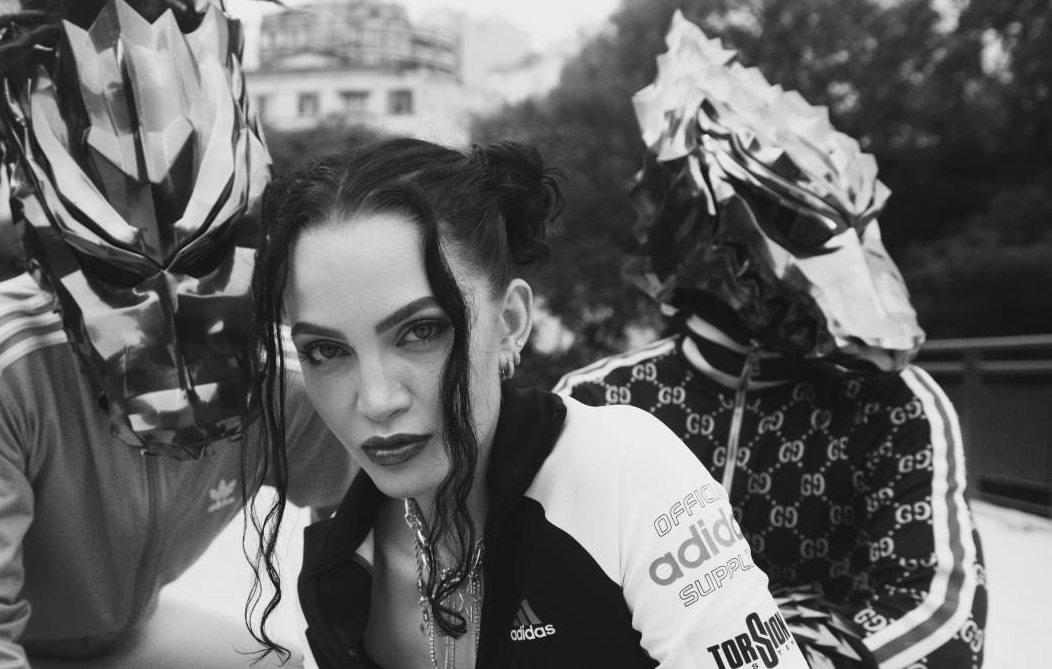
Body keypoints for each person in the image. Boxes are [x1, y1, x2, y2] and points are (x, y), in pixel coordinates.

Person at [0, 0, 351, 667]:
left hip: (118, 633)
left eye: (208, 254)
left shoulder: (284, 375)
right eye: (115, 271)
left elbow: (387, 503)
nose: (169, 306)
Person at [243, 138, 812, 669]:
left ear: (510, 322)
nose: (376, 400)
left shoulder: (624, 471)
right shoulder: (336, 563)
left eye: (420, 332)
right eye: (326, 351)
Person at [554, 13, 987, 669]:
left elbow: (939, 615)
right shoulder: (596, 401)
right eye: (801, 230)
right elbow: (541, 602)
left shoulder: (896, 406)